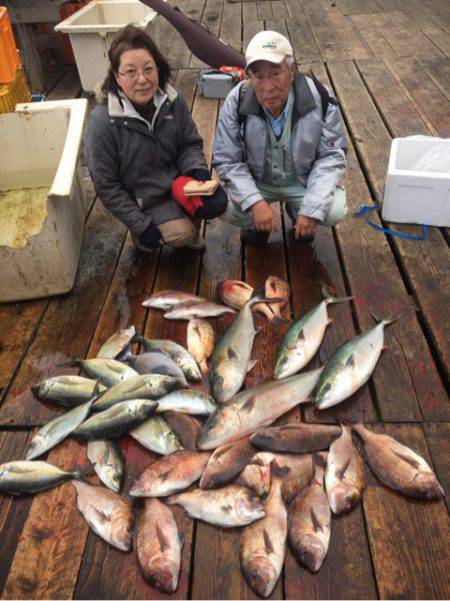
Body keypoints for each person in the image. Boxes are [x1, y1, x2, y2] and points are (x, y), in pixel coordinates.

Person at [84, 25, 227, 252]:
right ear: (116, 76)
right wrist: (141, 225)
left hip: (177, 185)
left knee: (216, 202)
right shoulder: (102, 122)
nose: (142, 79)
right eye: (130, 71)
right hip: (143, 201)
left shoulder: (173, 100)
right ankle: (143, 236)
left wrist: (196, 173)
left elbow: (189, 144)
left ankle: (186, 221)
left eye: (148, 69)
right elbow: (106, 186)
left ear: (158, 68)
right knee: (183, 234)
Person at [212, 31, 347, 243]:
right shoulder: (236, 100)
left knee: (335, 211)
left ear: (292, 72)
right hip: (258, 181)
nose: (267, 87)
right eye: (259, 76)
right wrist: (254, 202)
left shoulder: (321, 97)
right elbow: (226, 159)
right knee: (222, 206)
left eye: (276, 74)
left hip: (301, 180)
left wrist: (312, 208)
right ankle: (254, 224)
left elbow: (331, 156)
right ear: (250, 77)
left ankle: (298, 213)